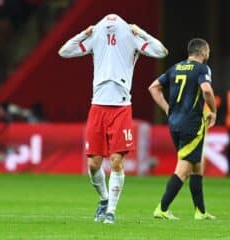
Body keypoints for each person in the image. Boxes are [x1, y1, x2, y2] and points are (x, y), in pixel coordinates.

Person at [58, 14, 168, 224]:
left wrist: (140, 32)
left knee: (117, 161)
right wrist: (85, 33)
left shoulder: (131, 36)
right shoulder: (96, 35)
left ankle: (111, 211)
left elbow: (161, 51)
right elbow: (64, 52)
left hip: (121, 107)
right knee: (93, 164)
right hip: (97, 106)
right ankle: (104, 199)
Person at [148, 38, 216, 220]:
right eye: (207, 51)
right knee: (184, 168)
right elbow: (207, 90)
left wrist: (167, 108)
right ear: (203, 52)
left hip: (174, 122)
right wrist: (213, 111)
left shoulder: (175, 67)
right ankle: (162, 208)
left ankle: (200, 211)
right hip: (192, 123)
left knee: (197, 165)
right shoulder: (202, 68)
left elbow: (153, 87)